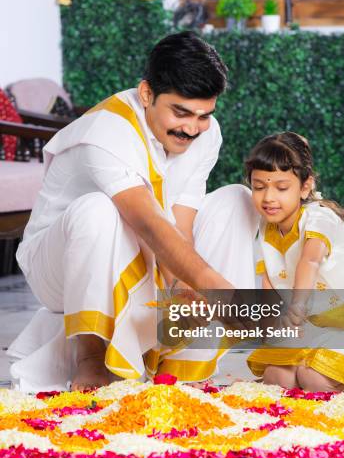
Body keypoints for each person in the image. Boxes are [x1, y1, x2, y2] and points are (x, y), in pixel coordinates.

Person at [8, 31, 259, 392]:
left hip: (143, 248)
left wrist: (180, 288)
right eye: (181, 112)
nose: (192, 128)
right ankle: (90, 357)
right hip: (58, 266)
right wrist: (222, 291)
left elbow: (180, 221)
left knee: (236, 197)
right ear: (147, 94)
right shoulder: (108, 131)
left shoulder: (206, 133)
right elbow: (150, 224)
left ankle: (183, 360)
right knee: (100, 210)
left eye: (204, 115)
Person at [244, 132, 344, 391]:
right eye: (259, 187)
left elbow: (309, 261)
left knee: (314, 379)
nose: (268, 198)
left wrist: (297, 307)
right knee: (278, 378)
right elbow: (269, 285)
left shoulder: (319, 218)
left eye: (281, 187)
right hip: (315, 325)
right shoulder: (265, 229)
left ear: (305, 186)